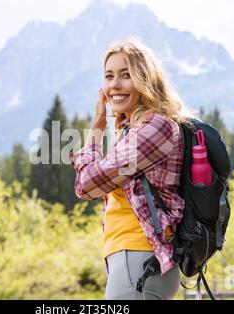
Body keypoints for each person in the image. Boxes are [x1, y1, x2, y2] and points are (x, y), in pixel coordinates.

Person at [68, 38, 195, 300]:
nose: (114, 84)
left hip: (139, 258)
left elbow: (86, 185)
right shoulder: (133, 133)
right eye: (109, 76)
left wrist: (96, 129)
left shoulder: (156, 128)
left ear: (145, 79)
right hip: (132, 261)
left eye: (126, 75)